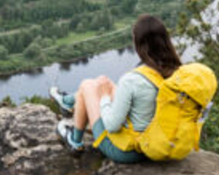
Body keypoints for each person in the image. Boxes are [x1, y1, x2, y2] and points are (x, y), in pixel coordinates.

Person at [51, 14, 182, 163]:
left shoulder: (133, 79)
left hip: (129, 150)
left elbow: (112, 126)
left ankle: (74, 141)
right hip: (159, 143)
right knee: (101, 82)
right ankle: (67, 103)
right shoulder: (178, 72)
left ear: (138, 44)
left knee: (87, 86)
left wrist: (105, 98)